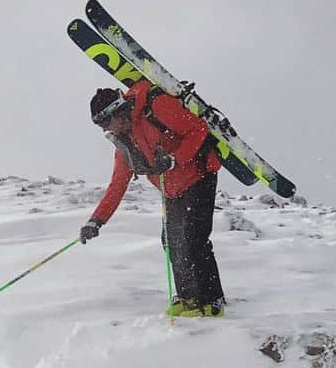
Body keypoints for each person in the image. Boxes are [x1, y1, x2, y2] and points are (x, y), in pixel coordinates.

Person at [80, 82, 226, 318]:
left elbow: (198, 129)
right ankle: (189, 298)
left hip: (199, 176)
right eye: (101, 126)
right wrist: (96, 221)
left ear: (117, 111)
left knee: (193, 239)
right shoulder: (125, 143)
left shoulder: (155, 106)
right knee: (171, 241)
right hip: (171, 190)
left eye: (106, 123)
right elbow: (118, 184)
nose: (107, 130)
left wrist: (174, 159)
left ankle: (211, 301)